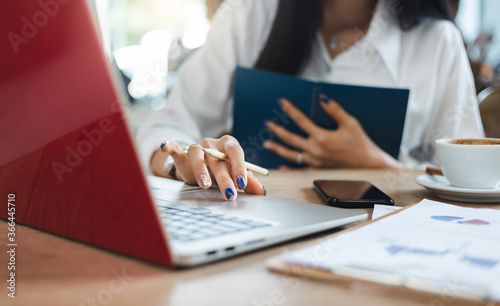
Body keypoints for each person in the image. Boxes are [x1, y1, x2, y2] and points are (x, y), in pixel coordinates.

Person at [137, 0, 484, 201]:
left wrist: (380, 165)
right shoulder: (251, 15)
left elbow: (471, 180)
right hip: (253, 231)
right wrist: (179, 164)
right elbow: (166, 126)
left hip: (385, 239)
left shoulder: (438, 43)